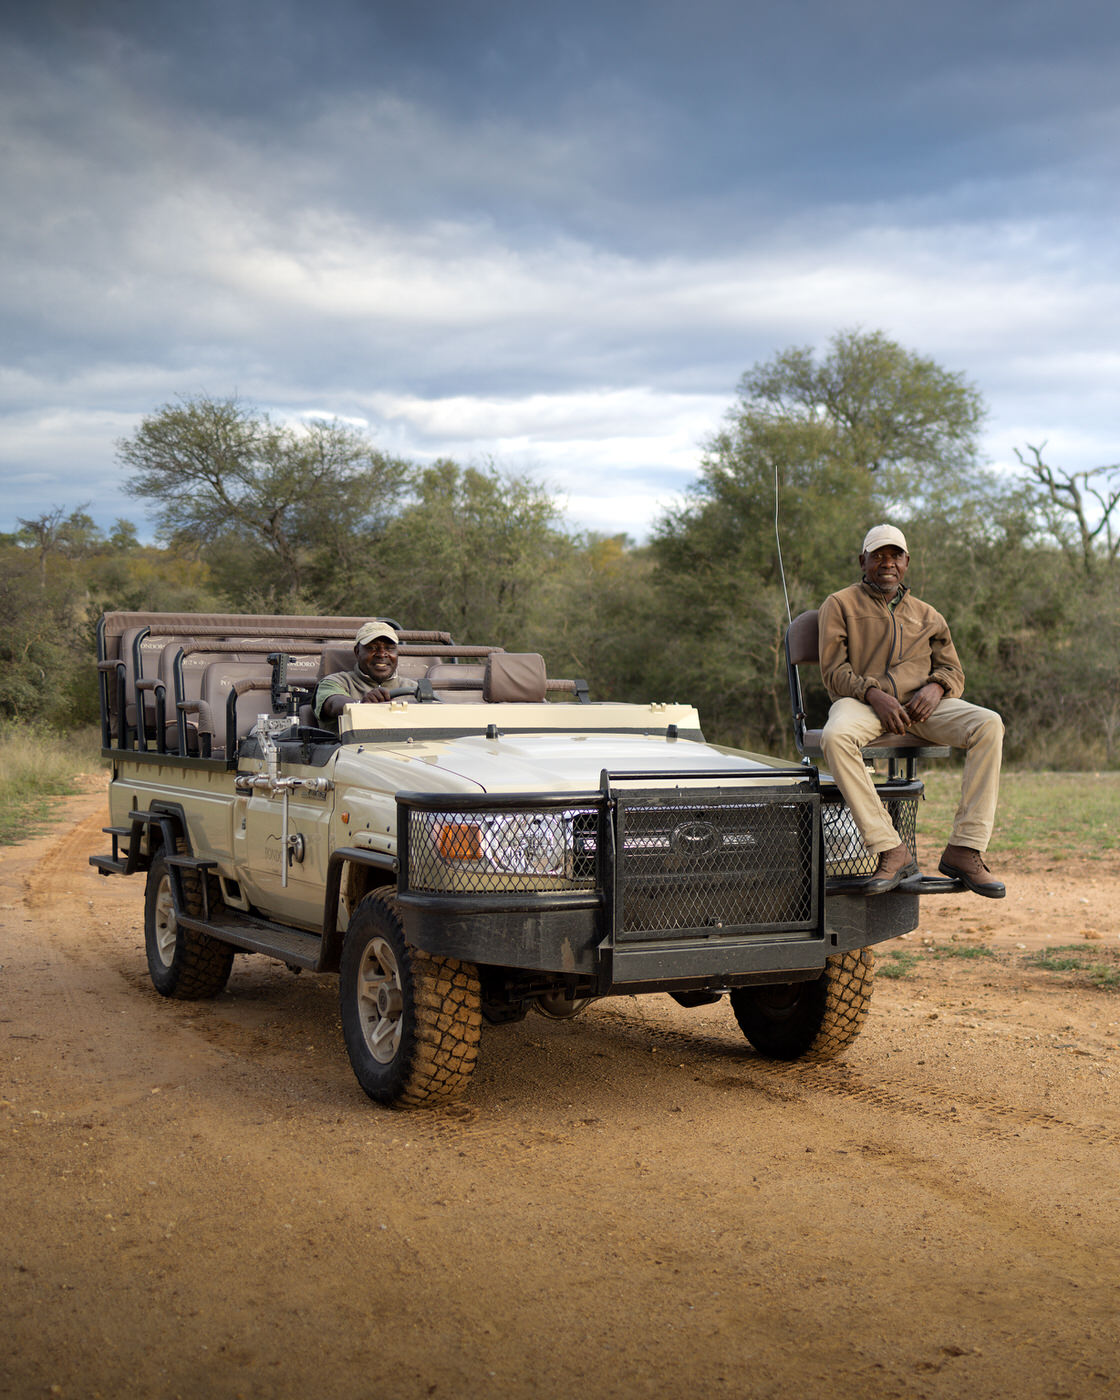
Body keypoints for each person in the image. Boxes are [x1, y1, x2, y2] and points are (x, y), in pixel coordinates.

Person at [817, 524, 1005, 898]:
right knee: (835, 736)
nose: (888, 563)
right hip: (864, 704)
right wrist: (873, 694)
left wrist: (936, 688)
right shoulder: (839, 604)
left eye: (895, 555)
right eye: (879, 555)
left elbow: (953, 670)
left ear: (906, 562)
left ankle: (965, 849)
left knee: (989, 724)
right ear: (863, 561)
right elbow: (833, 673)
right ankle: (891, 848)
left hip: (923, 709)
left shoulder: (928, 614)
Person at [314, 621, 418, 730]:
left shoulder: (413, 688)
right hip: (350, 745)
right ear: (357, 652)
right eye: (372, 648)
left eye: (389, 648)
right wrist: (361, 705)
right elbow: (333, 704)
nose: (382, 654)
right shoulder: (335, 682)